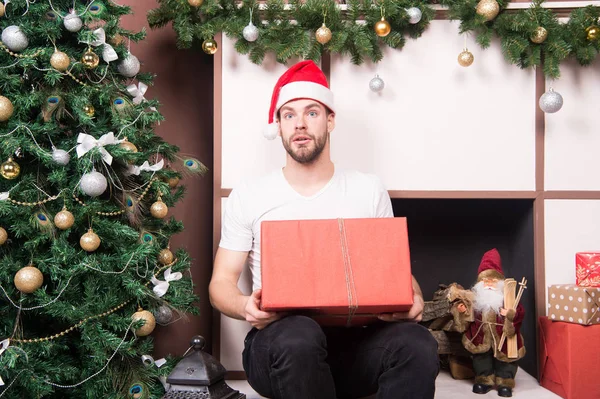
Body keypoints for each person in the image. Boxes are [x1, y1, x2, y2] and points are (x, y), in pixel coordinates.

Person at [209, 60, 439, 399]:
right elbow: (220, 284)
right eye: (289, 115)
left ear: (330, 120)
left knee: (417, 341)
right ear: (279, 126)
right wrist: (245, 306)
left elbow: (397, 272)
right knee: (299, 333)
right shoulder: (251, 194)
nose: (300, 124)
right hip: (279, 346)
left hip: (357, 343)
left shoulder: (368, 189)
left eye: (312, 113)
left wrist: (415, 298)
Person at [448, 248, 525, 398]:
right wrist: (463, 311)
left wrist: (509, 314)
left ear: (500, 282)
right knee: (481, 359)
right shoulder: (476, 299)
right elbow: (467, 315)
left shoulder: (507, 299)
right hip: (481, 336)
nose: (489, 283)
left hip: (502, 337)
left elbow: (519, 312)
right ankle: (484, 379)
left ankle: (505, 382)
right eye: (485, 281)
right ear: (479, 283)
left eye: (493, 281)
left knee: (506, 359)